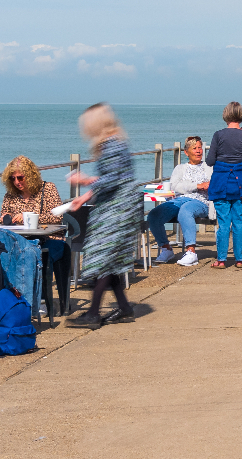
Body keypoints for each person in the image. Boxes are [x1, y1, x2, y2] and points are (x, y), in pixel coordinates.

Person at [66, 103, 138, 325]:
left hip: (118, 209)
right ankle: (124, 307)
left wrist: (85, 183)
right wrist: (85, 195)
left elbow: (112, 179)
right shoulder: (117, 143)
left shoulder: (111, 145)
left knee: (103, 257)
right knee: (110, 257)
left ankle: (93, 313)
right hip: (119, 206)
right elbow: (114, 178)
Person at [0, 155, 72, 297]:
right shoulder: (10, 194)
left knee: (34, 255)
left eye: (20, 177)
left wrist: (29, 217)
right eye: (12, 179)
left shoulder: (47, 189)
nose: (17, 182)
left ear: (30, 175)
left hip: (50, 239)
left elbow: (57, 217)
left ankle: (38, 298)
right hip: (19, 241)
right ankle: (10, 298)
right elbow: (3, 217)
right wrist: (5, 217)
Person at [204, 102, 242, 269]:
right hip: (241, 182)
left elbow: (210, 161)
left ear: (225, 115)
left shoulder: (218, 135)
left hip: (221, 183)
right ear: (240, 115)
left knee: (224, 222)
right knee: (239, 222)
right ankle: (239, 259)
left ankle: (221, 259)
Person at [146, 136, 212, 267]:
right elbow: (175, 187)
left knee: (186, 210)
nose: (199, 151)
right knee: (154, 215)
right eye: (195, 148)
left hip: (201, 202)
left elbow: (213, 184)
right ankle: (166, 249)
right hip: (179, 200)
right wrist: (197, 185)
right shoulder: (179, 168)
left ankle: (191, 252)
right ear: (186, 152)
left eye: (200, 148)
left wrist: (205, 186)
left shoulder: (209, 167)